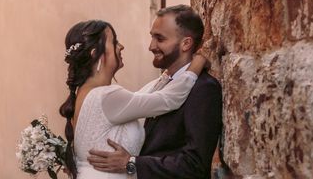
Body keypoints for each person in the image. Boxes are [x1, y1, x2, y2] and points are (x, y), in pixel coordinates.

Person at [59, 19, 209, 179]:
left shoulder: (85, 93)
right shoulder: (107, 96)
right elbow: (169, 99)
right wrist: (196, 64)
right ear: (96, 54)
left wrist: (168, 75)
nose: (121, 46)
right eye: (114, 41)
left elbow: (143, 97)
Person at [86, 5, 223, 178]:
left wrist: (131, 163)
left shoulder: (203, 88)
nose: (151, 46)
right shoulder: (157, 85)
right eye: (152, 37)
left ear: (186, 43)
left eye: (160, 38)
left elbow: (194, 164)